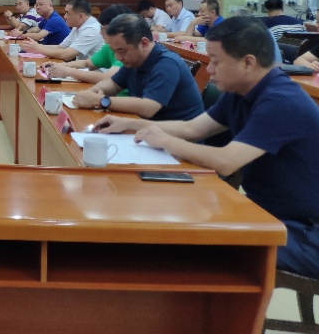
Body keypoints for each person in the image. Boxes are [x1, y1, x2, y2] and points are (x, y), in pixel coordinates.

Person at [93, 16, 319, 278]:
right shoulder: (241, 91)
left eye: (216, 61)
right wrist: (130, 124)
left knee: (187, 243)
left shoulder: (281, 100)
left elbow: (226, 162)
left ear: (248, 63)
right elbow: (193, 129)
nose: (209, 69)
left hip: (305, 231)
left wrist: (166, 141)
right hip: (270, 213)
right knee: (167, 219)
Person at [73, 14, 203, 120]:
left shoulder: (167, 63)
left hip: (175, 139)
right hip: (147, 129)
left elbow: (149, 107)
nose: (118, 57)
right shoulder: (134, 60)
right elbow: (113, 84)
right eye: (114, 51)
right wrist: (91, 93)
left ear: (143, 43)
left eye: (122, 51)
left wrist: (100, 100)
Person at [44, 4, 134, 92]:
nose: (100, 33)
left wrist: (68, 71)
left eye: (104, 29)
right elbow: (87, 63)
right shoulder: (108, 47)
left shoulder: (128, 52)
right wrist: (58, 66)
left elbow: (107, 78)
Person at [22, 0, 103, 60]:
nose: (65, 16)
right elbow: (61, 47)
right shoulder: (78, 25)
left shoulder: (92, 30)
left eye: (68, 13)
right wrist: (35, 46)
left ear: (80, 16)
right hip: (81, 70)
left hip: (93, 74)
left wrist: (38, 49)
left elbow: (67, 55)